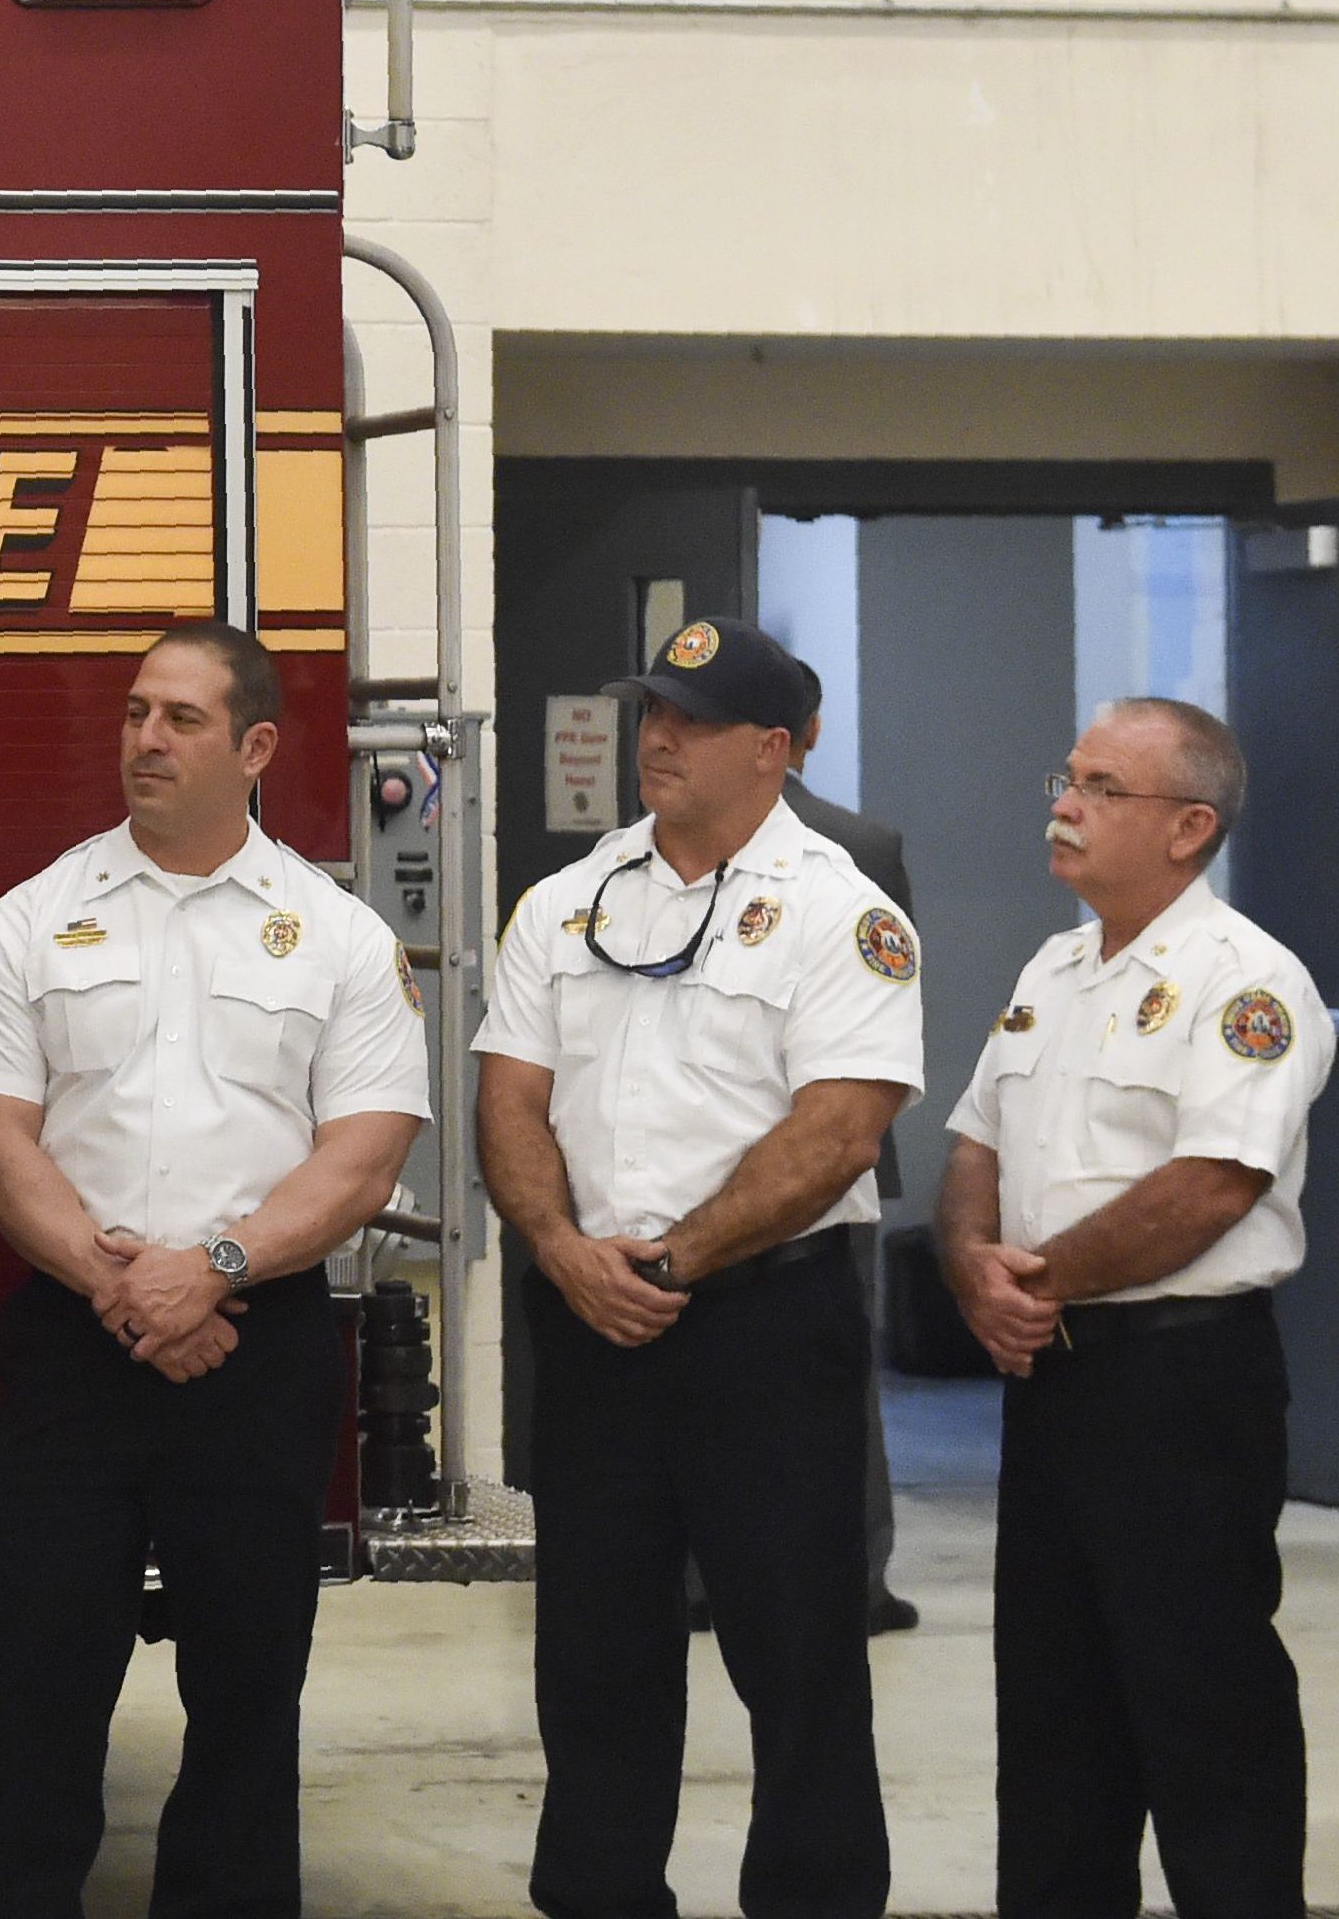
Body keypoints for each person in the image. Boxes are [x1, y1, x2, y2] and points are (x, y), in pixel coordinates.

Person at [0, 623, 429, 1919]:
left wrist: (211, 1268)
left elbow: (361, 1158)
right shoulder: (30, 921)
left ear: (255, 747)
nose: (144, 740)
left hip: (254, 1361)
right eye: (135, 713)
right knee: (33, 1697)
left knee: (246, 1704)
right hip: (66, 1358)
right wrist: (128, 1290)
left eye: (181, 720)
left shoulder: (334, 936)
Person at [472, 615, 917, 1919]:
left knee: (794, 1653)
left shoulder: (845, 913)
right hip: (591, 1324)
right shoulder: (567, 900)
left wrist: (672, 1258)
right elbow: (509, 1099)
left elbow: (837, 1131)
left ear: (770, 749)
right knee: (594, 1655)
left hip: (762, 1327)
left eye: (690, 718)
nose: (654, 737)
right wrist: (559, 1247)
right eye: (647, 710)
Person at [938, 698, 1332, 1919]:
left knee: (1201, 1699)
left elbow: (1211, 1186)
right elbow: (973, 1141)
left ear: (1188, 827)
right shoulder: (1053, 968)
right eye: (1069, 776)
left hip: (1181, 1381)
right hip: (1054, 1378)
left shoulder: (1248, 982)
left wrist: (1028, 1281)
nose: (1063, 802)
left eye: (1103, 786)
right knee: (1052, 1706)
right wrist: (969, 1267)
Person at [778, 753, 920, 1636]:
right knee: (842, 1374)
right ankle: (858, 1578)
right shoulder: (867, 841)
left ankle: (698, 1578)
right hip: (841, 1147)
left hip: (720, 1163)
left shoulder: (631, 851)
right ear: (812, 733)